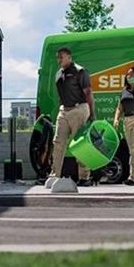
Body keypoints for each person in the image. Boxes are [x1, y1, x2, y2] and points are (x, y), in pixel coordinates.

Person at [48, 47, 96, 186]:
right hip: (64, 111)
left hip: (79, 109)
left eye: (61, 57)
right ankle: (54, 175)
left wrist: (92, 114)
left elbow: (88, 93)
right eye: (57, 57)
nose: (58, 60)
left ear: (69, 57)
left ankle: (84, 177)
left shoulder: (80, 71)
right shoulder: (58, 74)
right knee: (58, 143)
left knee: (80, 143)